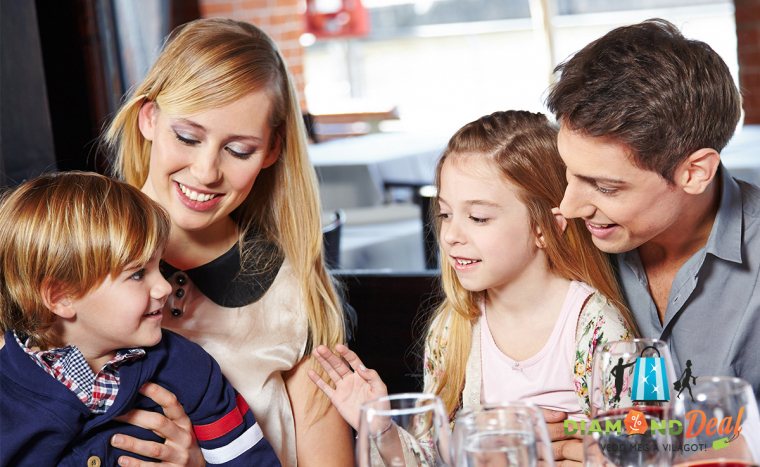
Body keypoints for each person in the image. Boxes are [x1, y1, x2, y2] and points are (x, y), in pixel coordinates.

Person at [308, 111, 638, 465]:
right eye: (446, 214)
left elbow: (639, 439)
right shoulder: (453, 329)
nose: (450, 235)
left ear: (545, 227)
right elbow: (430, 459)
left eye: (478, 218)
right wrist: (381, 427)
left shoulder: (595, 327)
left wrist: (580, 439)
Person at [103, 18, 354, 466]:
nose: (205, 172)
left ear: (272, 151)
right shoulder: (68, 251)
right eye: (187, 137)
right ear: (149, 118)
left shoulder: (292, 290)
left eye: (239, 150)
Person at [545, 18, 757, 462]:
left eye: (605, 187)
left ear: (694, 172)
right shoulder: (564, 242)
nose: (569, 204)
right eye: (568, 172)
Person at [0, 173, 281, 467]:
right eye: (137, 274)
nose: (164, 287)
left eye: (158, 267)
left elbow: (249, 460)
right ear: (61, 298)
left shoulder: (191, 368)